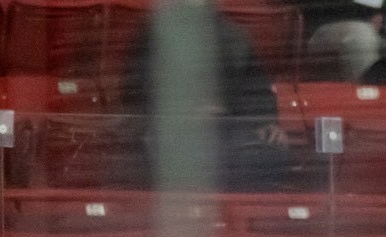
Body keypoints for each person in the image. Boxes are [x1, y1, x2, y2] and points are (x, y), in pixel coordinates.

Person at [118, 10, 289, 192]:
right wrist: (187, 110)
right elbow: (135, 91)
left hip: (226, 129)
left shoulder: (232, 34)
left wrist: (265, 122)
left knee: (271, 157)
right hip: (172, 130)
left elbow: (256, 88)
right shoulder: (155, 34)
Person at [292, 0, 386, 84]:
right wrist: (364, 15)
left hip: (385, 27)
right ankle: (367, 106)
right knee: (361, 35)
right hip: (327, 24)